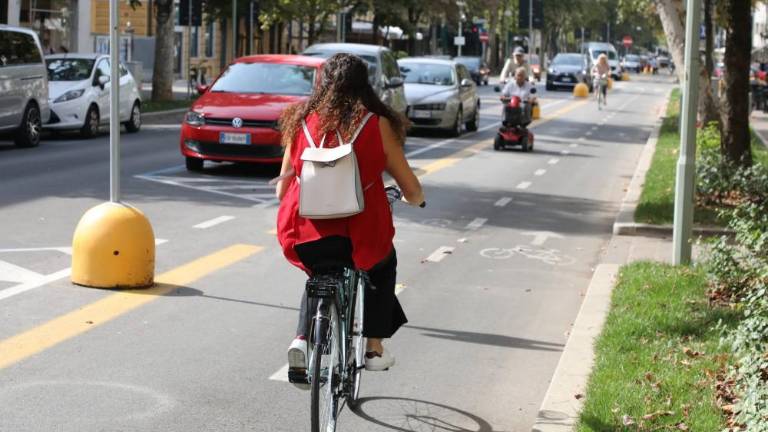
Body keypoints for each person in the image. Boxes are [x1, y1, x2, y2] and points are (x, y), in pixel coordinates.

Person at [275, 53, 424, 388]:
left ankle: (302, 339)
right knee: (382, 265)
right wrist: (417, 200)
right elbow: (410, 188)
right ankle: (373, 348)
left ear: (323, 83)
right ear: (364, 85)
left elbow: (281, 189)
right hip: (360, 234)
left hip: (306, 232)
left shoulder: (300, 120)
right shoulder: (376, 123)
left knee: (319, 272)